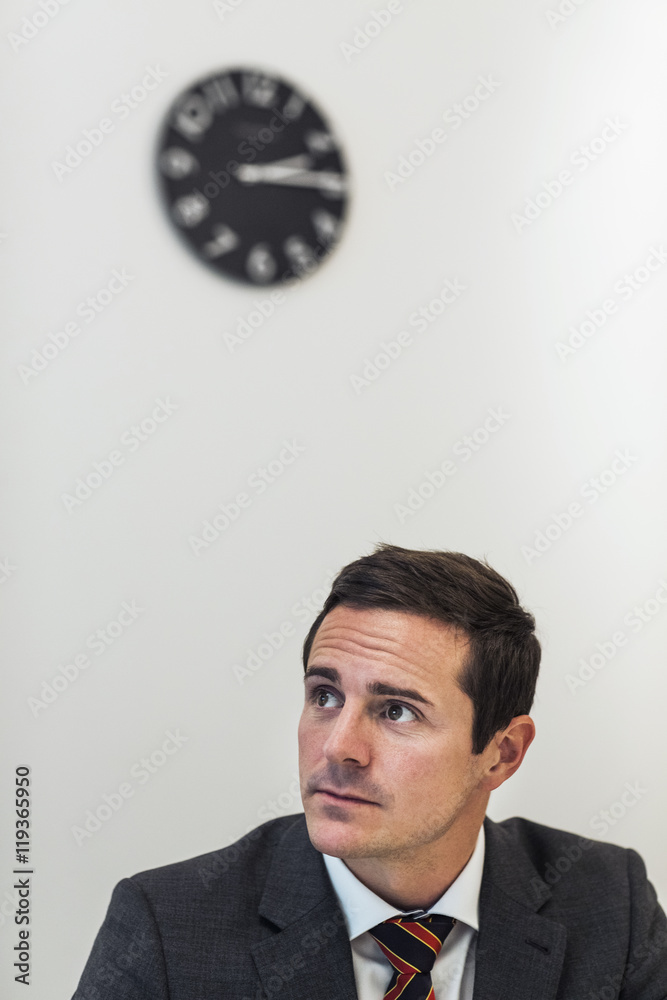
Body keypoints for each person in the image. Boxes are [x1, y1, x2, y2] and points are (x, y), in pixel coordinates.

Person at [72, 544, 667, 999]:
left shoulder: (609, 901)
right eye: (325, 696)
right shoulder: (168, 926)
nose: (338, 747)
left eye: (396, 711)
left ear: (502, 753)